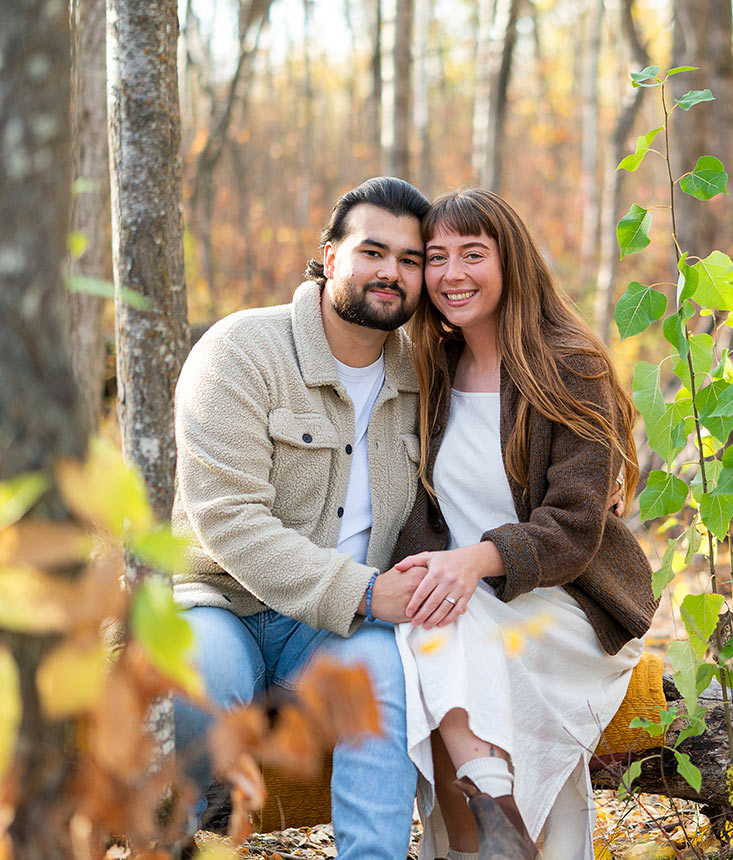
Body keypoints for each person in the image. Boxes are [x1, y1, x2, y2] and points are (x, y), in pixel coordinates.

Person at [389, 188, 659, 860]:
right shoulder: (430, 372)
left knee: (445, 624)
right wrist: (426, 572)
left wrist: (472, 563)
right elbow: (418, 508)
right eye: (437, 257)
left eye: (472, 254)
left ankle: (489, 820)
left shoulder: (569, 366)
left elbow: (572, 527)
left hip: (570, 604)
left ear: (511, 262)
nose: (452, 274)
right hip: (469, 605)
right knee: (432, 625)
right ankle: (496, 814)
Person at [171, 176, 432, 859]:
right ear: (329, 255)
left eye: (409, 260)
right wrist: (371, 592)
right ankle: (194, 840)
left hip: (336, 631)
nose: (390, 273)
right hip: (221, 604)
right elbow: (226, 519)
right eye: (373, 251)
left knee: (387, 672)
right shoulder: (240, 352)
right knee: (202, 676)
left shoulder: (424, 380)